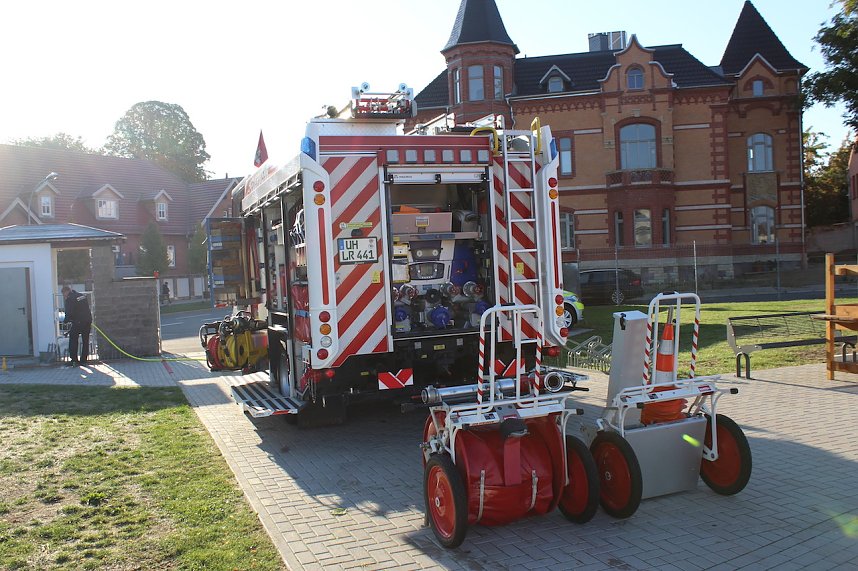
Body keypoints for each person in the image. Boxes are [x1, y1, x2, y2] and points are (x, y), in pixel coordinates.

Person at [62, 285, 92, 366]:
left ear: (66, 292)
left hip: (78, 321)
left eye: (64, 295)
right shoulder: (81, 296)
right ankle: (84, 360)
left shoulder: (70, 299)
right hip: (88, 320)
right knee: (85, 340)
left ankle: (74, 360)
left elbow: (69, 312)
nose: (64, 296)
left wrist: (65, 321)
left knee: (73, 339)